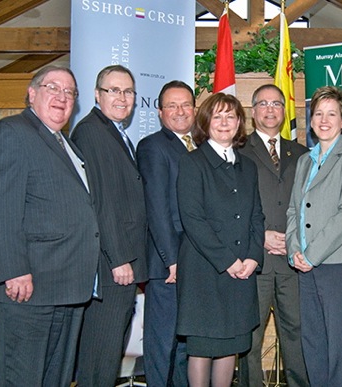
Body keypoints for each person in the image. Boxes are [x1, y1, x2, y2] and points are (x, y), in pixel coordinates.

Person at [0, 66, 100, 386]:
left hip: (66, 286)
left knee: (55, 379)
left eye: (70, 93)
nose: (62, 97)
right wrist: (13, 270)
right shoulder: (11, 133)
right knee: (23, 378)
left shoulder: (66, 144)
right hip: (28, 287)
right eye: (53, 88)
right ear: (32, 94)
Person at [176, 93, 265, 387]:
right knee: (203, 348)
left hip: (242, 271)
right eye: (217, 116)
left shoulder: (248, 166)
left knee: (231, 345)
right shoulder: (192, 163)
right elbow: (193, 220)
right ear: (206, 122)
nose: (224, 122)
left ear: (240, 122)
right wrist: (228, 261)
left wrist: (253, 257)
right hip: (206, 271)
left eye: (231, 116)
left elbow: (256, 216)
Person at [286, 86, 342, 386]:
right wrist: (294, 250)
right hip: (305, 265)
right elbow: (294, 211)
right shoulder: (304, 161)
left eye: (331, 114)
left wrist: (310, 255)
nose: (324, 120)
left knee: (340, 346)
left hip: (340, 266)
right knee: (313, 343)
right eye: (318, 113)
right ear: (310, 120)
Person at [70, 65, 147, 386]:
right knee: (99, 356)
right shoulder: (91, 132)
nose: (122, 98)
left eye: (128, 91)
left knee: (108, 353)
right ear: (97, 95)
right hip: (111, 265)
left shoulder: (113, 132)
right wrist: (119, 259)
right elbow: (100, 201)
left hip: (120, 262)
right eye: (114, 90)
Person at [237, 84, 309, 387]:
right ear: (253, 112)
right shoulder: (238, 152)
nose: (270, 109)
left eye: (277, 104)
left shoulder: (303, 153)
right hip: (255, 260)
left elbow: (310, 205)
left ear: (284, 111)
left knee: (297, 336)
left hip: (292, 261)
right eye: (263, 103)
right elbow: (233, 206)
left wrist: (294, 239)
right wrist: (260, 236)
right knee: (250, 337)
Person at [136, 80, 196, 386]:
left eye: (185, 104)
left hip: (195, 264)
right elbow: (156, 207)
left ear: (195, 109)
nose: (179, 111)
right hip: (168, 266)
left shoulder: (200, 145)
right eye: (171, 105)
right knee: (163, 345)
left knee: (185, 345)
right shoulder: (153, 147)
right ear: (160, 112)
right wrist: (172, 259)